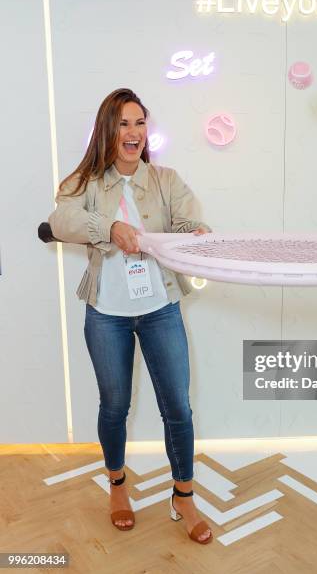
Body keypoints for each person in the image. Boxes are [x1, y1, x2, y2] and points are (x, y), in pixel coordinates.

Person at [48, 88, 213, 544]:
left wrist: (196, 235)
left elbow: (187, 225)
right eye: (123, 123)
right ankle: (118, 486)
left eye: (139, 123)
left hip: (160, 310)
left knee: (177, 408)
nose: (133, 132)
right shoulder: (85, 183)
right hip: (107, 315)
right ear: (108, 130)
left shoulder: (165, 179)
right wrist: (109, 228)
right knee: (114, 406)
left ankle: (183, 495)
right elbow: (61, 220)